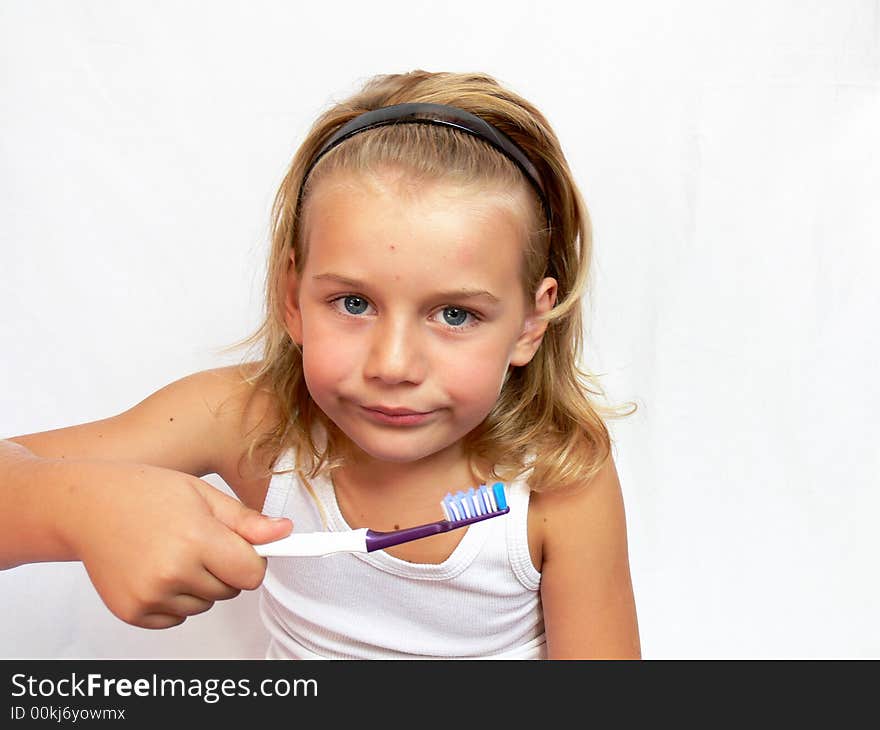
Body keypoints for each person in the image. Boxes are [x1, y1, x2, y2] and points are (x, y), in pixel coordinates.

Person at [0, 70, 640, 659]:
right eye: (354, 303)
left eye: (454, 315)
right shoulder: (249, 423)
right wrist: (80, 508)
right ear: (292, 298)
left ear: (531, 322)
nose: (393, 365)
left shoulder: (560, 478)